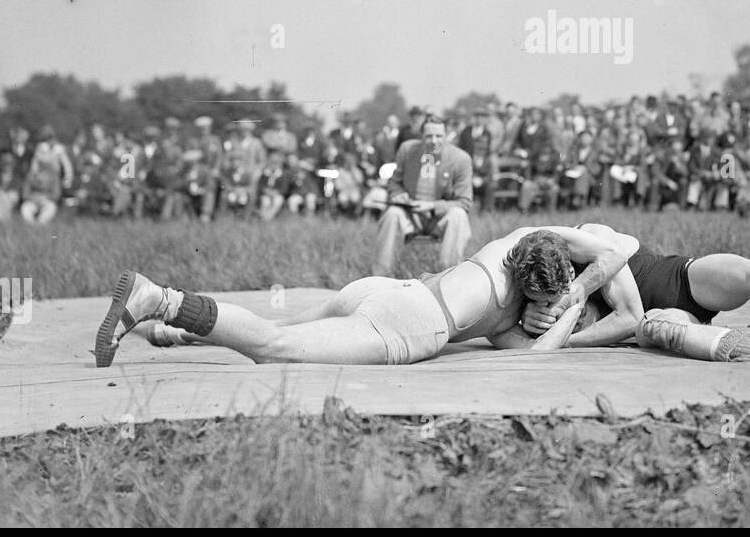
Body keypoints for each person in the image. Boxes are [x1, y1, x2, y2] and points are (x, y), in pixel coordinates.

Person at [99, 225, 636, 367]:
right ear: (534, 292)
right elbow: (539, 358)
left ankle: (169, 331)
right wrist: (568, 312)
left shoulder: (516, 242)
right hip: (409, 324)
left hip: (387, 290)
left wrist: (563, 295)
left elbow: (613, 246)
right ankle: (160, 299)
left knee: (282, 329)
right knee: (273, 348)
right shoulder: (507, 320)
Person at [520, 224, 750, 361]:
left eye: (566, 280)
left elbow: (621, 303)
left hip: (682, 279)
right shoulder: (537, 294)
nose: (560, 294)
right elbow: (631, 322)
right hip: (659, 322)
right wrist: (540, 321)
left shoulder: (595, 239)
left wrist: (576, 303)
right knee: (656, 328)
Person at [375, 115, 472, 273]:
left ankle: (448, 276)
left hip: (439, 219)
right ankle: (380, 276)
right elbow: (394, 182)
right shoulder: (407, 150)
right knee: (392, 214)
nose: (434, 141)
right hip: (411, 215)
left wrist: (432, 206)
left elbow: (464, 202)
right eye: (429, 136)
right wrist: (398, 194)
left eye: (439, 136)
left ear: (446, 135)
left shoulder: (461, 159)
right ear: (421, 136)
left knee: (458, 215)